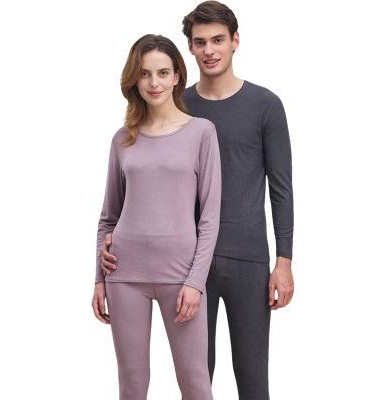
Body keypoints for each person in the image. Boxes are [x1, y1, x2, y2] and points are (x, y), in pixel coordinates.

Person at [101, 2, 295, 399]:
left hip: (246, 258)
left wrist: (284, 260)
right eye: (200, 42)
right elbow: (142, 191)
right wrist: (114, 242)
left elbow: (281, 188)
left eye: (218, 40)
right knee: (196, 376)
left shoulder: (265, 105)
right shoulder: (175, 103)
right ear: (189, 48)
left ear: (235, 40)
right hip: (186, 263)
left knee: (252, 377)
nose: (209, 50)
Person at [91, 33, 222, 400]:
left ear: (177, 75)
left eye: (163, 73)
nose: (154, 83)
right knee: (131, 385)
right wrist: (99, 278)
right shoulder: (123, 139)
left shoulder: (201, 132)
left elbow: (210, 217)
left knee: (195, 383)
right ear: (135, 79)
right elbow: (108, 217)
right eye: (145, 74)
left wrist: (196, 282)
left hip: (181, 277)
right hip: (124, 275)